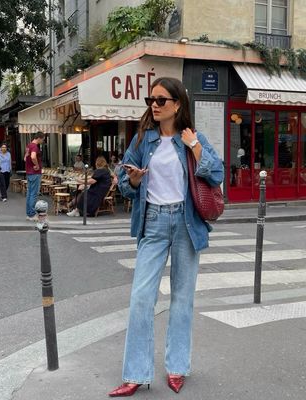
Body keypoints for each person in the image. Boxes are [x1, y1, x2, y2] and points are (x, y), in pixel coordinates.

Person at [109, 77, 224, 397]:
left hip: (186, 224)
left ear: (177, 104)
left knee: (182, 300)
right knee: (141, 299)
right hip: (154, 223)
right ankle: (135, 373)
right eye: (151, 101)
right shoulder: (143, 141)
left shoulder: (192, 138)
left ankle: (177, 368)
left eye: (161, 100)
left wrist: (195, 146)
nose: (154, 106)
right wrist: (131, 181)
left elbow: (217, 174)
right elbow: (123, 183)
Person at [24, 131, 45, 221]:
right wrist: (36, 165)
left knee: (29, 193)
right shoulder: (35, 147)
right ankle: (32, 214)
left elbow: (25, 158)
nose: (42, 142)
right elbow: (33, 157)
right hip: (35, 173)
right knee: (34, 194)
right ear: (39, 138)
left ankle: (29, 214)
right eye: (42, 140)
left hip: (29, 172)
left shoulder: (28, 146)